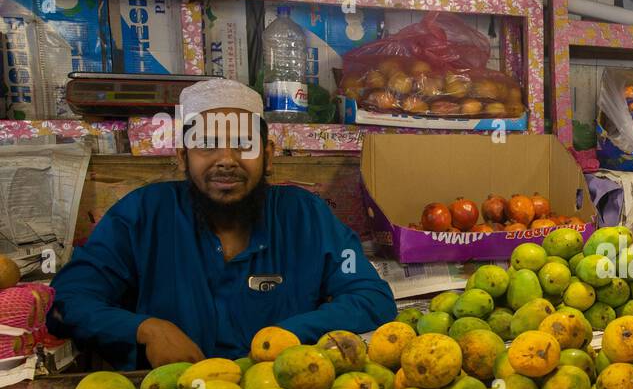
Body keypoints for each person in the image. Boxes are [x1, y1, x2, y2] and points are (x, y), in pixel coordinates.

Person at [50, 79, 396, 369]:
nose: (226, 160)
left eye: (243, 144)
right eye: (207, 145)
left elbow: (371, 297)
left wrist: (293, 334)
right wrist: (146, 329)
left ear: (268, 155)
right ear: (183, 156)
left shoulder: (306, 216)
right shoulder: (141, 215)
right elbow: (70, 298)